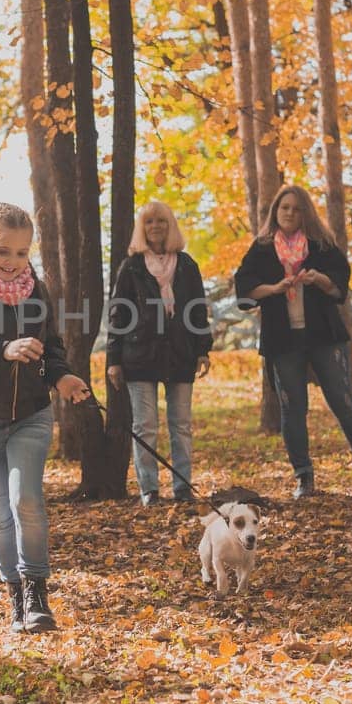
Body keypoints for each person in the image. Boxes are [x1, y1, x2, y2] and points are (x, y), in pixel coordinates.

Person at [0, 203, 92, 634]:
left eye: (21, 253)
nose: (12, 263)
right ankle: (14, 596)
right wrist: (1, 349)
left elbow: (51, 347)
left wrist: (62, 376)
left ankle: (36, 592)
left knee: (26, 499)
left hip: (31, 412)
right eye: (2, 251)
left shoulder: (37, 290)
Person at [233, 185, 352, 498]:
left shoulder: (320, 245)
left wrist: (319, 279)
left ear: (305, 213)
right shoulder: (261, 248)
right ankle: (304, 478)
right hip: (283, 340)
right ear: (276, 212)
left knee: (343, 401)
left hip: (323, 335)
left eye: (297, 209)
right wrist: (273, 288)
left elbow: (341, 281)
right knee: (292, 408)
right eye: (284, 208)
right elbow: (243, 286)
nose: (290, 214)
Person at [107, 201, 212, 505]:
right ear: (143, 228)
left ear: (170, 226)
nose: (155, 227)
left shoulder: (187, 264)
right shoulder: (132, 267)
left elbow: (197, 310)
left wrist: (203, 350)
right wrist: (113, 360)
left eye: (161, 221)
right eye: (150, 222)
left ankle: (182, 488)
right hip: (139, 355)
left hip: (181, 353)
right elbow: (118, 315)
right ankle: (149, 490)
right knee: (145, 425)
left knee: (180, 424)